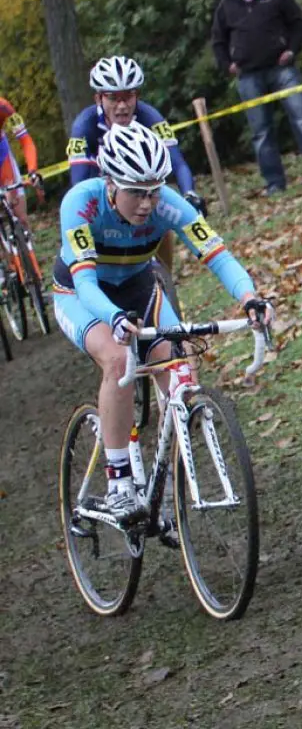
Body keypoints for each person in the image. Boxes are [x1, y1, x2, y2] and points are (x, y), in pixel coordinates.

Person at [53, 122, 273, 521]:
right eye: (136, 192)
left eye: (154, 191)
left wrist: (250, 298)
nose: (147, 204)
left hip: (139, 288)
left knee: (181, 369)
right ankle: (118, 481)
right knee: (119, 361)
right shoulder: (80, 204)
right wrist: (114, 318)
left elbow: (217, 254)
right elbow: (85, 282)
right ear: (110, 183)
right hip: (81, 296)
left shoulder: (168, 204)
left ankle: (165, 490)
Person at [68, 56, 203, 276]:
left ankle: (165, 283)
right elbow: (79, 185)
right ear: (98, 98)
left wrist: (189, 193)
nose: (122, 106)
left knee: (162, 222)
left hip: (142, 190)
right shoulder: (85, 125)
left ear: (137, 96)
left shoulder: (150, 117)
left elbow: (177, 164)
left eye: (128, 96)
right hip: (103, 189)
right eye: (113, 98)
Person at [212, 0, 302, 194]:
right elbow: (218, 40)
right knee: (261, 131)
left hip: (281, 68)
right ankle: (275, 183)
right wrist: (228, 65)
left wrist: (292, 50)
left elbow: (299, 23)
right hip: (248, 75)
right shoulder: (227, 6)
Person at [0, 97, 40, 229]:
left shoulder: (3, 106)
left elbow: (25, 140)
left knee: (21, 218)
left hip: (1, 155)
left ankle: (27, 245)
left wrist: (32, 171)